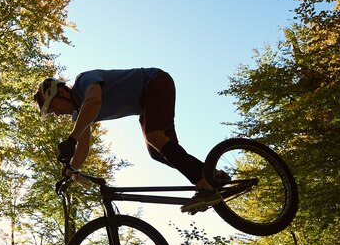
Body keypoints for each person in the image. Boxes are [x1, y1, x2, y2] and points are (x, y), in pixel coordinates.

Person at [33, 68, 222, 213]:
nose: (56, 113)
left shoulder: (84, 80)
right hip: (145, 104)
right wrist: (69, 173)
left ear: (62, 92)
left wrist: (71, 138)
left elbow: (94, 101)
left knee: (154, 136)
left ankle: (205, 189)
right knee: (158, 151)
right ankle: (212, 174)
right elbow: (82, 147)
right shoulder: (78, 116)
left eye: (53, 107)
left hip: (155, 82)